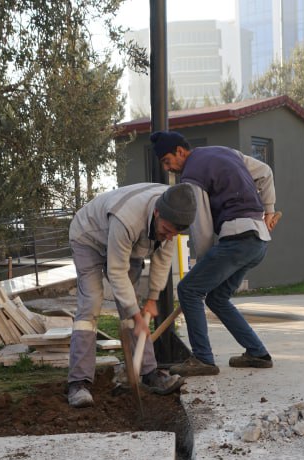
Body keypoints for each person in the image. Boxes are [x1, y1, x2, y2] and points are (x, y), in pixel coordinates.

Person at [149, 131, 280, 376]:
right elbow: (265, 172)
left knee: (188, 290)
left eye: (168, 161)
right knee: (217, 298)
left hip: (237, 239)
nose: (169, 168)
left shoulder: (190, 176)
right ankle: (257, 353)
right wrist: (269, 210)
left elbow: (203, 227)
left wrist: (204, 264)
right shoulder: (226, 152)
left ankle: (203, 359)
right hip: (258, 240)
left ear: (180, 151)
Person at [65, 183, 195, 408]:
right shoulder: (127, 218)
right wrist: (136, 314)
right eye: (165, 230)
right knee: (91, 304)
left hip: (131, 243)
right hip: (89, 237)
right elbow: (116, 272)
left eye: (174, 234)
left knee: (130, 306)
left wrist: (152, 299)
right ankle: (79, 383)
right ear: (156, 212)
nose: (168, 237)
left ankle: (148, 373)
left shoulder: (174, 210)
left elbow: (162, 261)